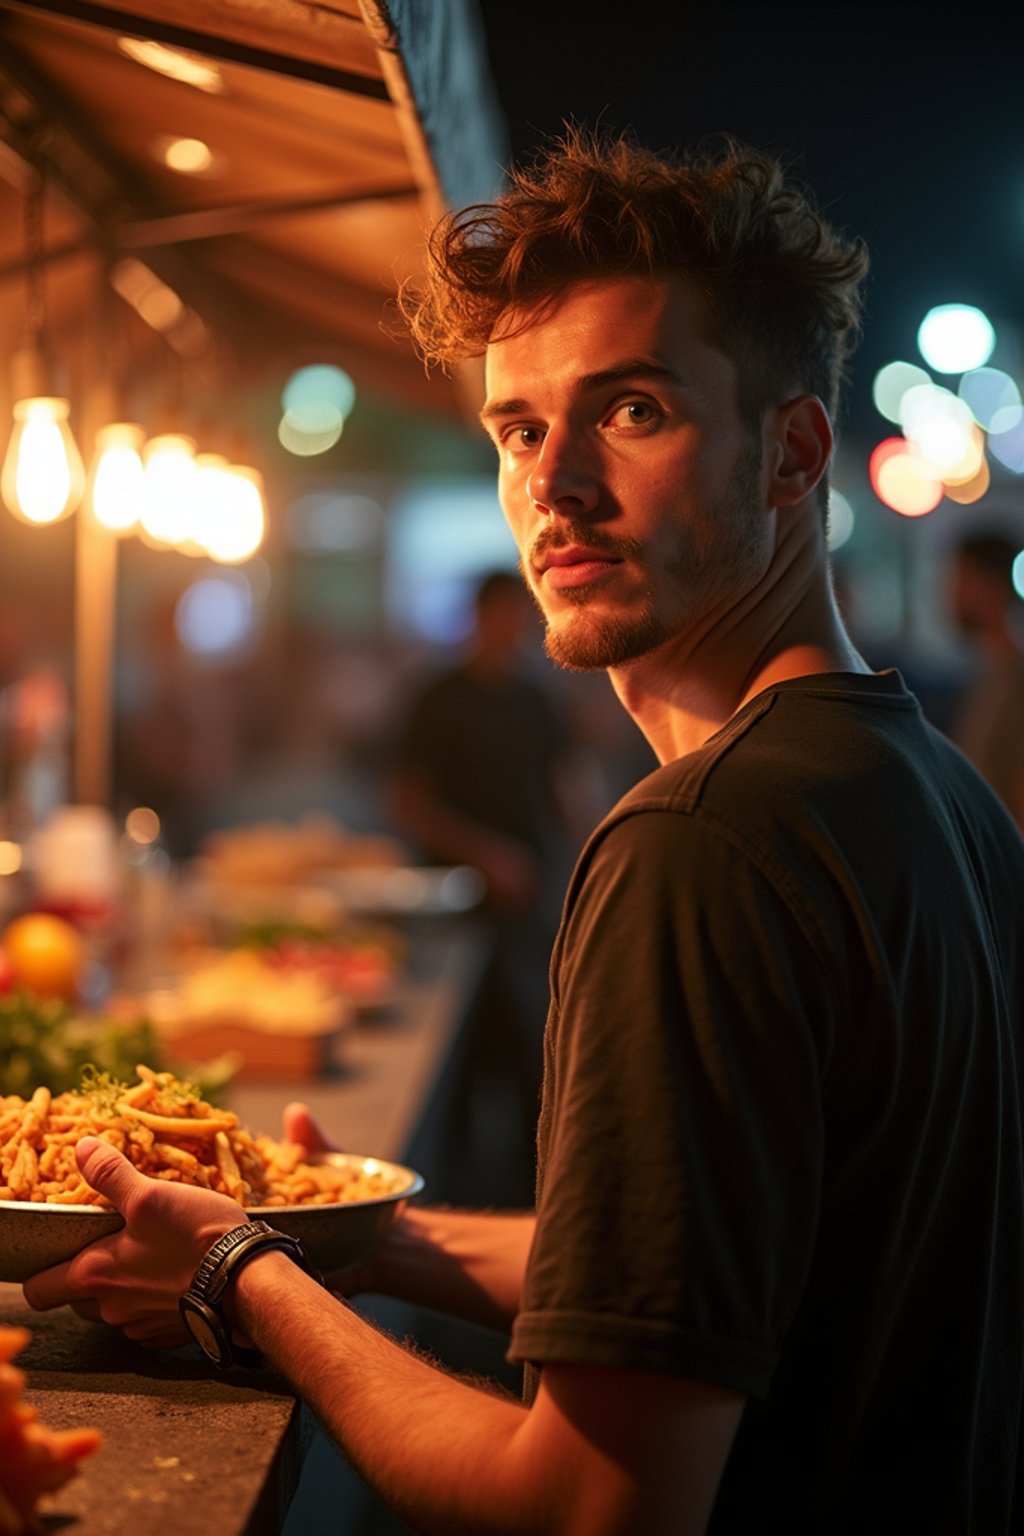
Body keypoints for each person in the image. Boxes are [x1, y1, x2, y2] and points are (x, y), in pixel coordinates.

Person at [24, 131, 1024, 1534]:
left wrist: (238, 1277)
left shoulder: (700, 842)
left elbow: (588, 1504)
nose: (551, 489)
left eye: (631, 412)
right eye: (519, 428)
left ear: (794, 452)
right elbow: (708, 1267)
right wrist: (362, 1237)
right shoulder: (938, 792)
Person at [393, 568, 596, 1202]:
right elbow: (409, 803)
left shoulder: (535, 701)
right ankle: (442, 1198)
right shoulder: (438, 698)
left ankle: (522, 1198)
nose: (515, 629)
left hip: (524, 903)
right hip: (450, 905)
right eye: (505, 615)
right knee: (451, 1060)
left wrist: (601, 853)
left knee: (530, 1050)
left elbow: (566, 788)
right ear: (479, 618)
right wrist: (481, 855)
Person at [947, 528, 1024, 829]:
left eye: (960, 580)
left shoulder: (1015, 685)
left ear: (991, 586)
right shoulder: (988, 678)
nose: (950, 595)